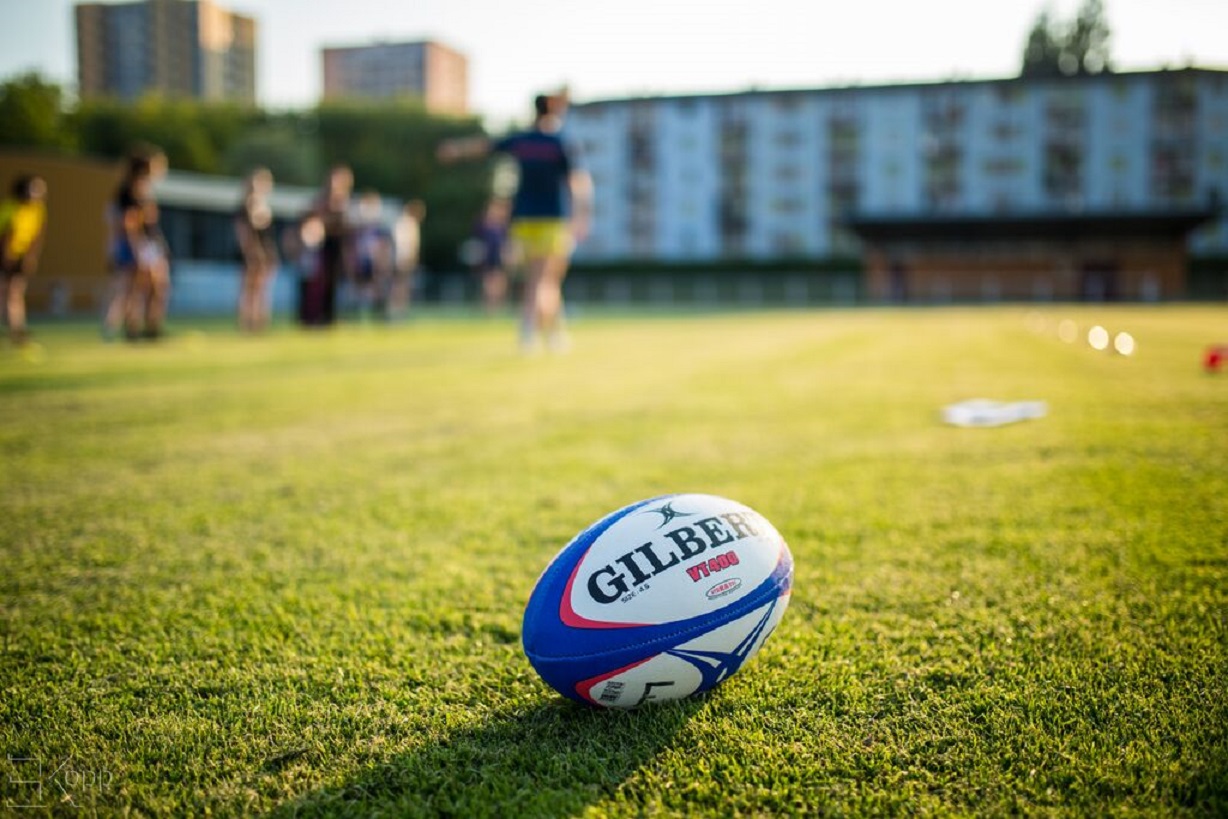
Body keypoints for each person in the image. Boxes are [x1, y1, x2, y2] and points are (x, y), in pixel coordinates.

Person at [439, 91, 593, 352]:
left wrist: (455, 149)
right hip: (551, 220)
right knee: (541, 278)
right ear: (555, 111)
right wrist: (582, 216)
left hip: (523, 220)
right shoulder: (559, 143)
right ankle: (529, 332)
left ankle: (555, 333)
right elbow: (578, 183)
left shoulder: (523, 141)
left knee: (545, 280)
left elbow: (485, 145)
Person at [299, 165, 352, 327]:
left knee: (334, 282)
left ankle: (330, 316)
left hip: (337, 246)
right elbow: (311, 220)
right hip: (321, 246)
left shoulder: (343, 201)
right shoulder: (321, 201)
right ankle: (312, 316)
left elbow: (345, 225)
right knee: (316, 282)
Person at [0, 175, 48, 346]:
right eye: (35, 189)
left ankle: (17, 330)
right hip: (5, 254)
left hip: (18, 254)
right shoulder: (10, 208)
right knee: (8, 292)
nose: (40, 194)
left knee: (16, 292)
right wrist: (7, 257)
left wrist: (30, 257)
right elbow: (6, 234)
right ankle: (15, 330)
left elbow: (36, 236)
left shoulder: (37, 210)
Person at [234, 168, 278, 333]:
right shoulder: (244, 208)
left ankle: (260, 323)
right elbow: (243, 234)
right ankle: (247, 323)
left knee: (263, 289)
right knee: (248, 289)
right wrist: (251, 253)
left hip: (265, 252)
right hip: (251, 254)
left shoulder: (265, 207)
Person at [470, 198, 510, 315]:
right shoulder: (483, 223)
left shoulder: (503, 224)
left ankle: (497, 305)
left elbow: (506, 241)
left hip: (499, 256)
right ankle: (489, 305)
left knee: (500, 280)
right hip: (487, 257)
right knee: (488, 281)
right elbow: (477, 240)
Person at [389, 199, 426, 320]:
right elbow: (403, 244)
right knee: (400, 285)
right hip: (402, 259)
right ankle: (396, 310)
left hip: (404, 259)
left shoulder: (407, 223)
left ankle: (400, 310)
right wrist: (406, 258)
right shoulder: (406, 223)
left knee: (403, 285)